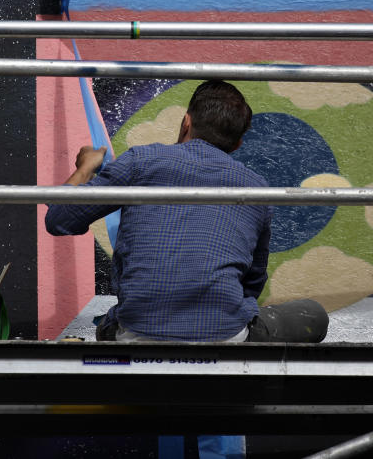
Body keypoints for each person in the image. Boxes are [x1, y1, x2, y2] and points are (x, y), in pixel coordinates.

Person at [44, 80, 328, 345]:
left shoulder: (140, 161)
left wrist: (85, 167)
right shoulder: (257, 190)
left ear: (186, 122)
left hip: (137, 333)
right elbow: (252, 282)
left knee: (111, 321)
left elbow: (59, 219)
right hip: (225, 334)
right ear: (238, 144)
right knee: (313, 314)